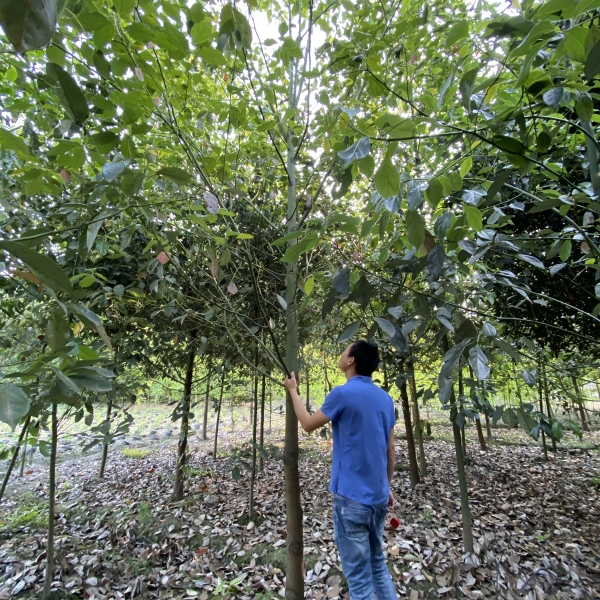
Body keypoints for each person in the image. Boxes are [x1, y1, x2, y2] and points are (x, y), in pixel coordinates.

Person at [284, 340, 397, 600]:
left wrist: (293, 390)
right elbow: (390, 450)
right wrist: (386, 486)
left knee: (358, 580)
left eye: (345, 350)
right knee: (378, 565)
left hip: (351, 501)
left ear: (351, 361)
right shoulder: (386, 399)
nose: (342, 352)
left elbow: (307, 424)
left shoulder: (342, 394)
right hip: (379, 499)